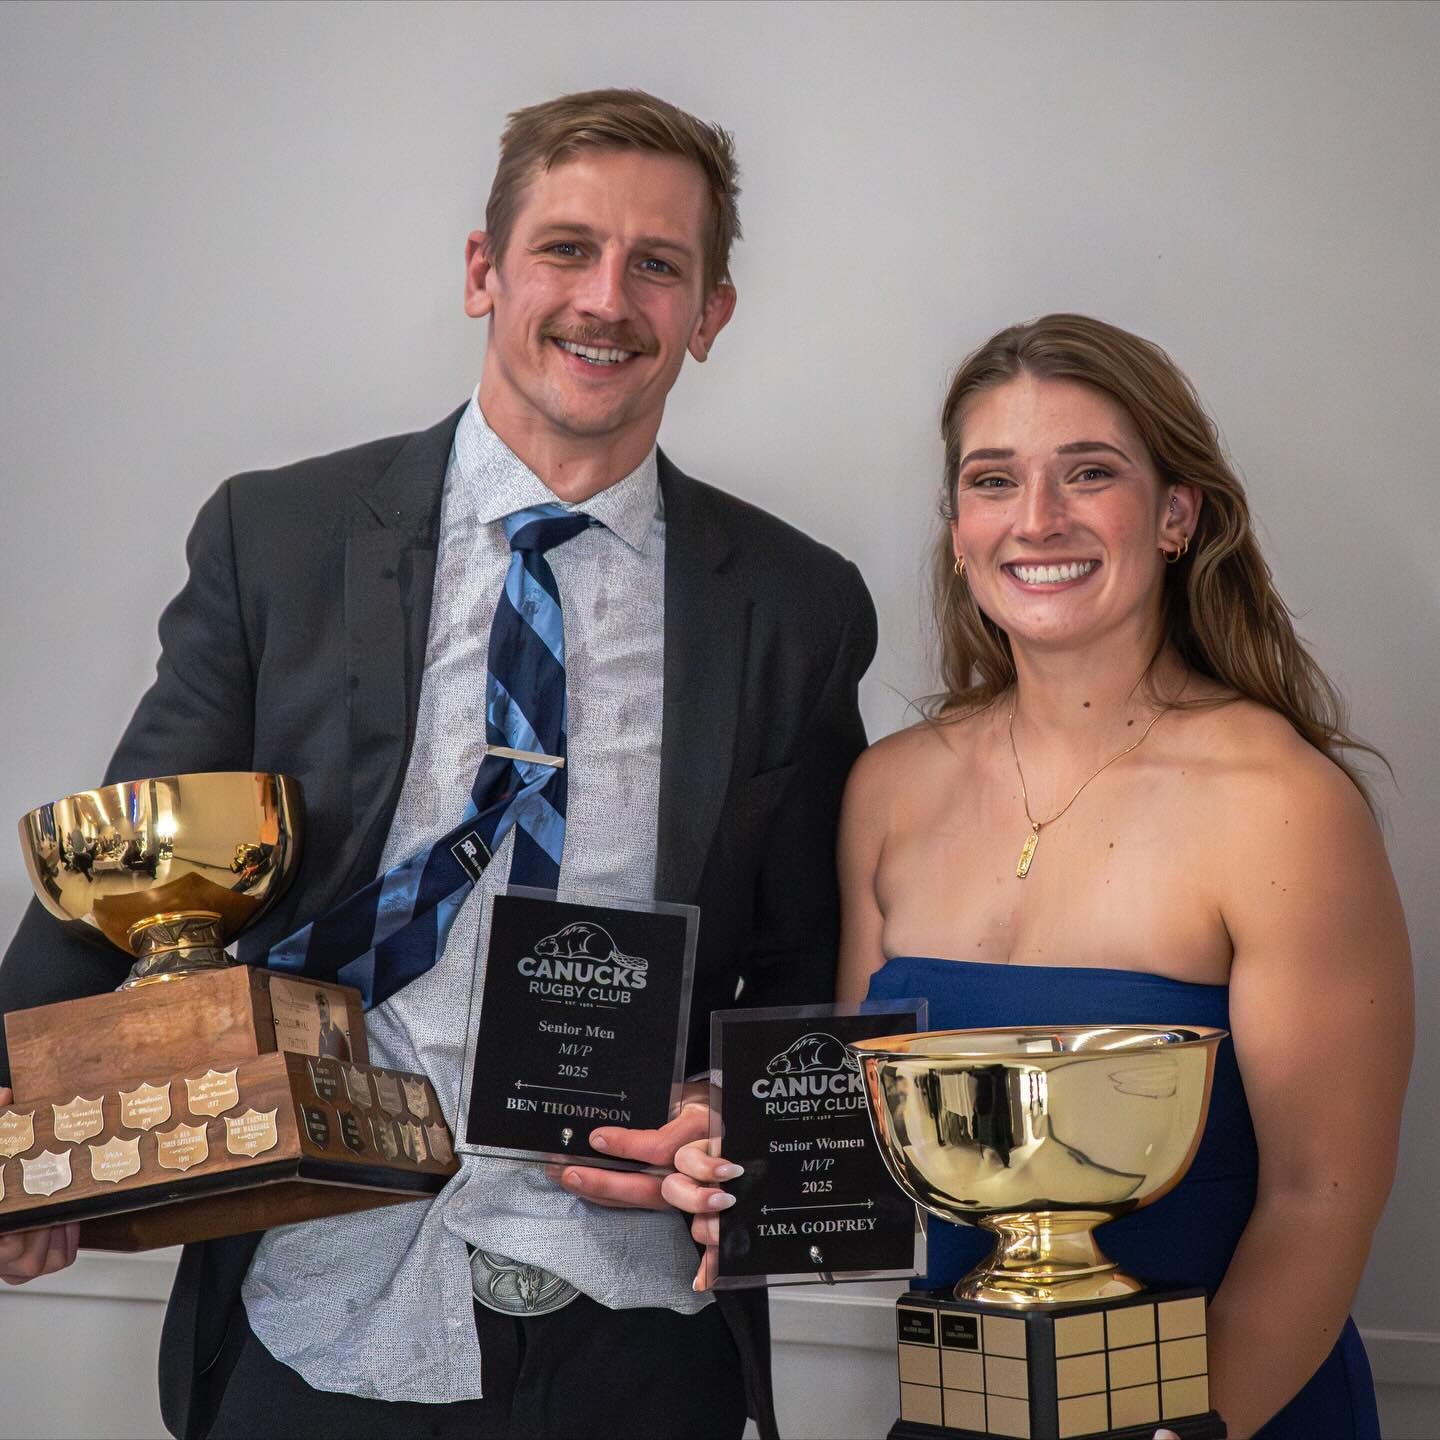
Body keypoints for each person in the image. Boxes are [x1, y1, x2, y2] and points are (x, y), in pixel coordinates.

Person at [0, 89, 876, 1440]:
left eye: (658, 264)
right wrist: (13, 1125)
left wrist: (726, 1112)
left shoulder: (795, 604)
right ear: (484, 271)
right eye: (567, 249)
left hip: (640, 1329)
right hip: (320, 1297)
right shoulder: (279, 539)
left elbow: (809, 961)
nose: (607, 299)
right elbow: (123, 863)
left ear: (710, 313)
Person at [672, 314, 1411, 1439]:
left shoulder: (1283, 805)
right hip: (965, 1403)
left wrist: (1182, 1432)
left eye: (1090, 473)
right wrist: (728, 1137)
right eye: (993, 480)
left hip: (1227, 1412)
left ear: (1176, 515)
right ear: (957, 531)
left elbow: (1321, 1204)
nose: (1037, 519)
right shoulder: (889, 789)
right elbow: (860, 1142)